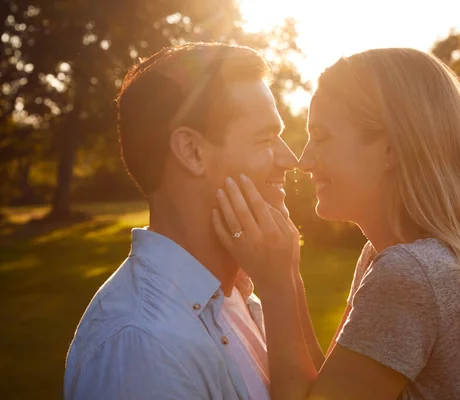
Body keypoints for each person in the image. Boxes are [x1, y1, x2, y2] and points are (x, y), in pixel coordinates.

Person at [214, 48, 460, 399]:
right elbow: (325, 386)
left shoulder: (409, 273)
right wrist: (288, 273)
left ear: (389, 148)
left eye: (322, 136)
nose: (304, 160)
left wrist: (275, 287)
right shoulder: (388, 257)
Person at [64, 42, 298, 399]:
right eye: (265, 139)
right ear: (192, 152)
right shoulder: (143, 345)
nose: (289, 158)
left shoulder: (235, 296)